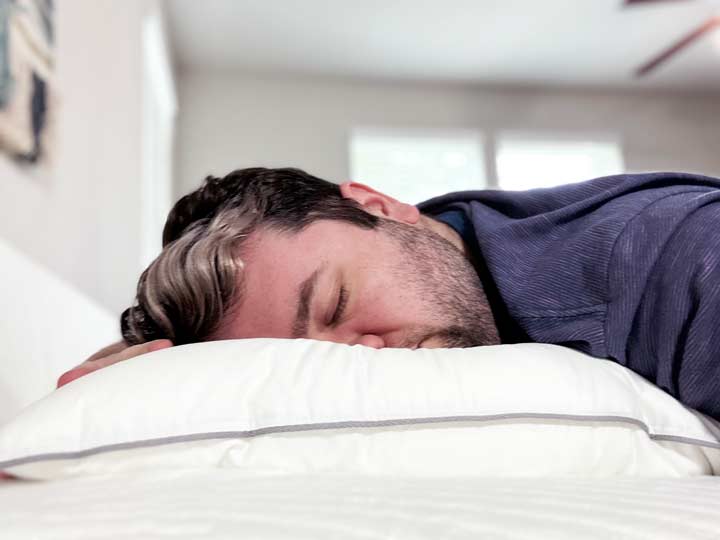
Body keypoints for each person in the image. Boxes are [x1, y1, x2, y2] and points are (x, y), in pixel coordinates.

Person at [57, 167, 720, 421]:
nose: (361, 361)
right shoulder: (435, 252)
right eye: (308, 359)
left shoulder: (669, 256)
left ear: (380, 204)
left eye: (337, 304)